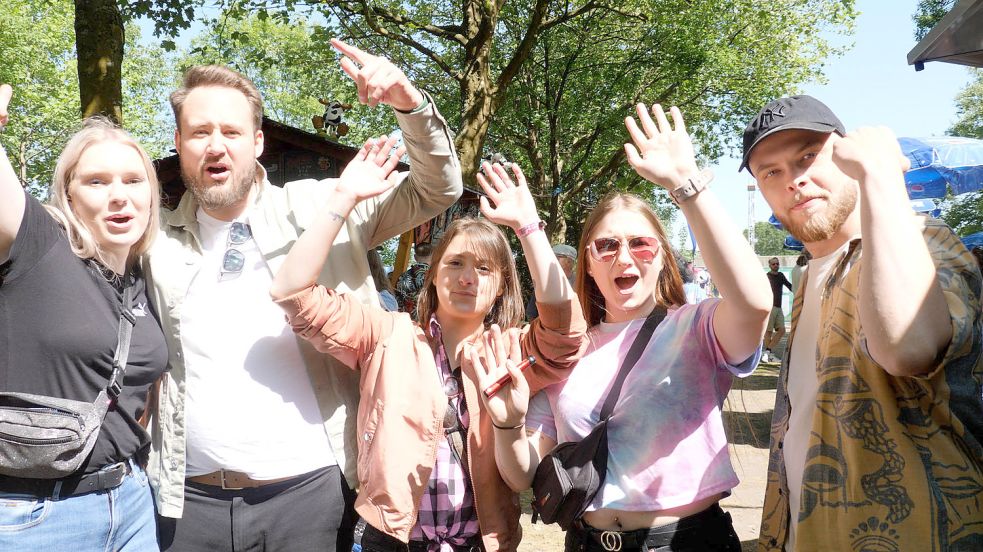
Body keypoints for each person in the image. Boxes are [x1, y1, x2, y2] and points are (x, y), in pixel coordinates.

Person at [146, 39, 463, 551]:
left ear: (258, 142)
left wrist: (409, 102)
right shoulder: (150, 239)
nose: (216, 145)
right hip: (187, 503)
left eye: (231, 131)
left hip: (313, 495)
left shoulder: (325, 202)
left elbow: (437, 188)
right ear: (179, 142)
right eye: (200, 131)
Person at [474, 104, 772, 552]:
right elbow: (522, 474)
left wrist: (684, 185)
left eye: (641, 244)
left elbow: (753, 302)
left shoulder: (697, 326)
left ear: (663, 257)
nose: (625, 257)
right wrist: (508, 424)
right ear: (589, 265)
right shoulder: (566, 353)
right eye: (607, 246)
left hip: (686, 542)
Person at [269, 158, 587, 551]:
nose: (468, 277)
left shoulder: (511, 350)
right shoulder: (385, 334)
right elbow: (293, 293)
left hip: (482, 543)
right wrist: (344, 198)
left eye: (485, 268)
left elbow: (566, 336)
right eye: (455, 263)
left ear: (503, 284)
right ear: (434, 274)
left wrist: (528, 228)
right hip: (391, 541)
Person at [740, 95, 983, 551]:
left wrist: (882, 177)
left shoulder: (922, 241)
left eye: (808, 156)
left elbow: (907, 346)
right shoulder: (808, 276)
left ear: (846, 154)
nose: (795, 180)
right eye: (771, 172)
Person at [0, 86, 166, 550]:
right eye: (97, 182)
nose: (119, 196)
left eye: (134, 181)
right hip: (34, 516)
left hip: (131, 502)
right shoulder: (38, 246)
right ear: (68, 194)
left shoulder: (144, 277)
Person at [525, 243, 577, 319]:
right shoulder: (545, 282)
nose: (550, 260)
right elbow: (532, 314)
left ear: (569, 261)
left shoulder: (580, 282)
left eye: (556, 257)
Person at [763, 257, 792, 363]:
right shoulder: (767, 277)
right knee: (768, 332)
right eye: (773, 264)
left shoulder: (780, 275)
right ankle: (768, 355)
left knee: (782, 330)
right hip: (770, 307)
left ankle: (767, 352)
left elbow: (790, 286)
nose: (776, 265)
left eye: (777, 263)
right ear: (769, 265)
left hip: (778, 307)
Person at [395, 241, 433, 314]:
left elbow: (397, 300)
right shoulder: (435, 277)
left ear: (415, 257)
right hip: (425, 319)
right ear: (433, 256)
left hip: (404, 319)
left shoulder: (403, 277)